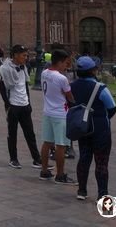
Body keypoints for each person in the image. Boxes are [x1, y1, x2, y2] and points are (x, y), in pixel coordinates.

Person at [71, 55, 116, 201]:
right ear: (93, 71)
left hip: (82, 128)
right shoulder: (100, 87)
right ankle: (102, 193)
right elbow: (112, 107)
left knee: (84, 158)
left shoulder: (72, 86)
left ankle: (81, 190)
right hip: (100, 129)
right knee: (101, 162)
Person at [0, 44, 45, 170]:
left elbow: (25, 86)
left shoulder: (24, 67)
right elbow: (2, 88)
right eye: (24, 55)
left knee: (30, 134)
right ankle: (13, 159)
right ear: (15, 55)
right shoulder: (6, 69)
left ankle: (36, 159)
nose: (26, 57)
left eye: (26, 55)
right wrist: (8, 104)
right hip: (13, 105)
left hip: (24, 105)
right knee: (12, 134)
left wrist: (28, 102)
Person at [38, 49, 77, 184]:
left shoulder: (44, 73)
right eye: (65, 63)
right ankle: (60, 175)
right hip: (60, 114)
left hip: (47, 111)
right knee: (61, 145)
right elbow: (69, 96)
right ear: (59, 62)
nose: (66, 66)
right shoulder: (61, 78)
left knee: (47, 142)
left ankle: (44, 171)